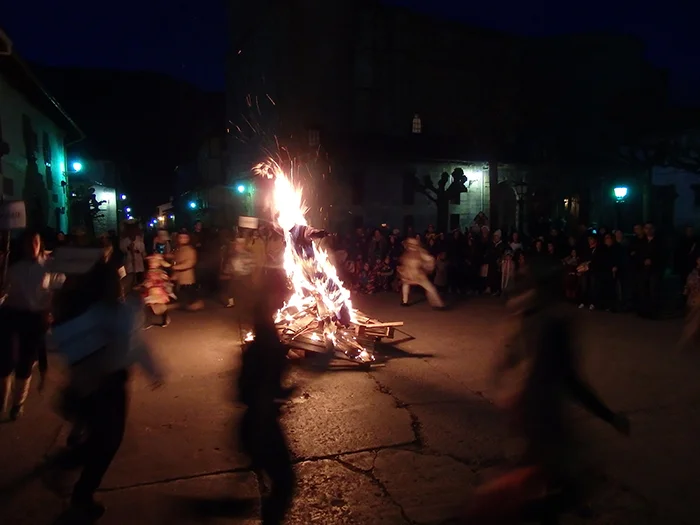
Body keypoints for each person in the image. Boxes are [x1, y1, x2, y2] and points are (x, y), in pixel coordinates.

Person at [50, 245, 164, 521]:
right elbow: (132, 344)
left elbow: (135, 344)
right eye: (117, 280)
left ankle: (74, 466)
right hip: (105, 387)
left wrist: (152, 370)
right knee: (108, 441)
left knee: (104, 439)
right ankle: (81, 493)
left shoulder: (114, 312)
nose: (121, 284)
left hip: (101, 385)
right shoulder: (106, 313)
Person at [239, 293, 295, 524]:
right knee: (285, 483)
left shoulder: (256, 350)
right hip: (262, 428)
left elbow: (243, 391)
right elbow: (262, 392)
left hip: (250, 425)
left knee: (274, 482)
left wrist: (283, 392)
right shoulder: (268, 350)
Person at [0, 232, 65, 420]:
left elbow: (60, 288)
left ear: (40, 244)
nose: (31, 246)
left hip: (36, 319)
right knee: (6, 362)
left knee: (25, 363)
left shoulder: (50, 266)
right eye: (27, 242)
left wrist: (52, 311)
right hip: (13, 316)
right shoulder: (13, 268)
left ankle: (17, 403)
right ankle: (2, 401)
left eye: (35, 242)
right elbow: (4, 292)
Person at [398, 237, 445, 308]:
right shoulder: (409, 253)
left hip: (418, 275)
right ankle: (405, 301)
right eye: (410, 244)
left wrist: (428, 266)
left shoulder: (420, 252)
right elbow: (404, 261)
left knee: (429, 288)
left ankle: (439, 304)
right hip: (410, 274)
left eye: (412, 244)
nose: (411, 246)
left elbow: (430, 259)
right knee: (406, 284)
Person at [172, 232, 203, 311]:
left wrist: (175, 267)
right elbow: (174, 257)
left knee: (187, 296)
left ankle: (192, 305)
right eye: (181, 237)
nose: (182, 239)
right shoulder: (177, 249)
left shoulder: (190, 250)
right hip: (178, 277)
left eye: (185, 237)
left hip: (187, 278)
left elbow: (189, 263)